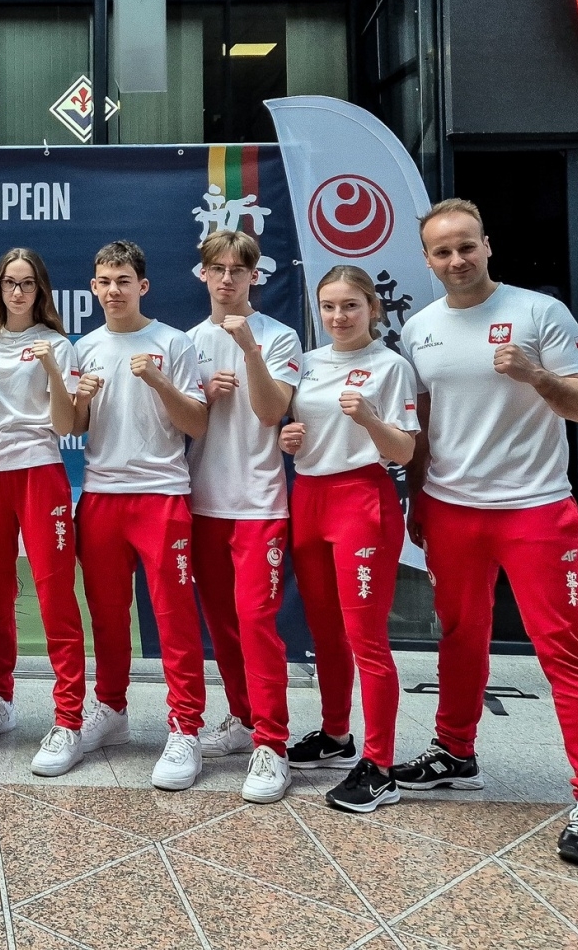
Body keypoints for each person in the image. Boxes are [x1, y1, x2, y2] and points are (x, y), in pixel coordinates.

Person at [395, 198, 578, 867]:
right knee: (459, 638)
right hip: (451, 509)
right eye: (442, 251)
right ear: (428, 260)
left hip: (535, 509)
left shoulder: (539, 313)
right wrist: (417, 497)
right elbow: (424, 425)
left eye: (466, 246)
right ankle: (454, 750)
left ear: (487, 245)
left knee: (564, 650)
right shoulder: (420, 328)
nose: (456, 259)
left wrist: (535, 374)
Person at [279, 265, 419, 814]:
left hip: (362, 500)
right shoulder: (309, 362)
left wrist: (369, 420)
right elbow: (303, 431)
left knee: (367, 638)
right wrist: (291, 439)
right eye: (329, 306)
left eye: (351, 306)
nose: (339, 317)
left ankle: (381, 768)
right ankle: (336, 734)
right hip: (309, 497)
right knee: (325, 631)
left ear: (372, 309)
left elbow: (403, 451)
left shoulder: (391, 367)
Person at [72, 241, 211, 791]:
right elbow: (76, 424)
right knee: (107, 616)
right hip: (101, 495)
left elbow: (196, 423)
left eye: (123, 280)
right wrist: (78, 398)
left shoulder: (173, 342)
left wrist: (156, 380)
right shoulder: (84, 346)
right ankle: (110, 709)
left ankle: (186, 727)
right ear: (93, 287)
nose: (113, 290)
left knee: (174, 618)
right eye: (104, 281)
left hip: (161, 496)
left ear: (142, 286)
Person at [185, 230, 303, 803]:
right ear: (203, 274)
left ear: (255, 276)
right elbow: (180, 423)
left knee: (256, 622)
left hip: (259, 504)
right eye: (218, 268)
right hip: (203, 502)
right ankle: (241, 717)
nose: (227, 278)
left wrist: (250, 349)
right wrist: (204, 395)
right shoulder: (187, 341)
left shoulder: (279, 336)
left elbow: (272, 410)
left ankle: (272, 745)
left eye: (238, 269)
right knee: (223, 625)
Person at [0, 247, 89, 777]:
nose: (18, 292)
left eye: (28, 283)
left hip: (39, 470)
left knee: (55, 593)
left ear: (41, 290)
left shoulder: (58, 343)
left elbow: (66, 425)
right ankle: (0, 697)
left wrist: (54, 369)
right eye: (10, 283)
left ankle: (68, 718)